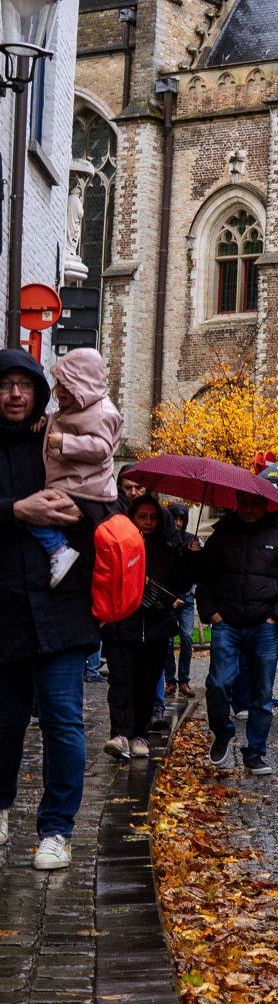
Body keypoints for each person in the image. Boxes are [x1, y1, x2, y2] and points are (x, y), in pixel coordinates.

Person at [0, 349, 102, 869]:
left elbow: (108, 503)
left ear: (40, 393)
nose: (15, 393)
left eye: (24, 384)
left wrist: (78, 510)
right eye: (5, 385)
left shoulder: (59, 438)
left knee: (63, 721)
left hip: (62, 609)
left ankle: (56, 830)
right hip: (5, 611)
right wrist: (18, 509)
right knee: (3, 721)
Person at [195, 490, 278, 777]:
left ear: (264, 505)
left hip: (264, 625)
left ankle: (255, 751)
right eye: (243, 503)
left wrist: (275, 617)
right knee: (218, 684)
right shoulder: (222, 535)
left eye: (254, 504)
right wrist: (213, 614)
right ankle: (223, 732)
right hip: (227, 623)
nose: (247, 509)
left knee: (261, 693)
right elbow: (204, 579)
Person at [101, 495, 196, 761]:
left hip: (156, 626)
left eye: (153, 517)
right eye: (142, 517)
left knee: (145, 682)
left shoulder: (168, 548)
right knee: (121, 681)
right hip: (122, 625)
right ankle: (120, 732)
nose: (148, 523)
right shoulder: (120, 542)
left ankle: (140, 733)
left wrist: (189, 557)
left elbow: (180, 582)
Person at [27, 349, 120, 587]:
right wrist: (45, 420)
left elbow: (101, 448)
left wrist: (64, 442)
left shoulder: (102, 413)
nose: (59, 391)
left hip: (84, 487)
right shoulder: (77, 407)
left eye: (66, 386)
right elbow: (59, 420)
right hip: (70, 481)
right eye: (58, 384)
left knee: (35, 510)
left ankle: (58, 549)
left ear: (84, 385)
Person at [165, 503, 198, 696]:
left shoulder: (191, 540)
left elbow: (198, 568)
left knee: (186, 637)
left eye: (181, 519)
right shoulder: (165, 539)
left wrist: (195, 553)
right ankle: (170, 680)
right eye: (175, 519)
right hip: (168, 596)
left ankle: (184, 679)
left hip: (186, 596)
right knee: (168, 641)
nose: (178, 523)